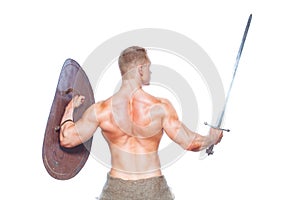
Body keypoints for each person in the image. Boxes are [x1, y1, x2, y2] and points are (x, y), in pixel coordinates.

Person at [59, 46, 223, 199]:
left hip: (117, 189)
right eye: (148, 68)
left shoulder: (101, 110)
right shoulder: (160, 107)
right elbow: (189, 142)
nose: (150, 72)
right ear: (140, 69)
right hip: (153, 188)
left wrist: (70, 108)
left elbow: (67, 139)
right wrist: (211, 138)